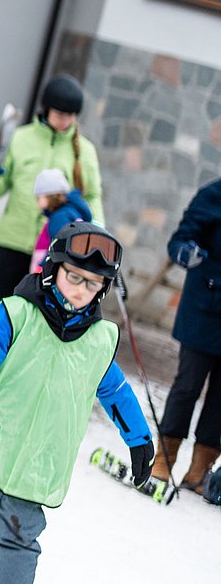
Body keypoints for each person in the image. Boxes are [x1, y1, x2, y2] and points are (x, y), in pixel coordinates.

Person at [0, 222, 153, 584]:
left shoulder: (99, 339)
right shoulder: (16, 314)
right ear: (52, 270)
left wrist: (139, 439)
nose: (82, 290)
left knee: (18, 536)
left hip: (40, 461)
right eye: (75, 277)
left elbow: (114, 392)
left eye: (93, 283)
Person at [0, 74, 104, 306]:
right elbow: (0, 189)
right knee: (2, 307)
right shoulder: (21, 138)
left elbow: (92, 196)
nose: (64, 121)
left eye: (70, 116)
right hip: (13, 240)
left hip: (54, 249)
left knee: (40, 313)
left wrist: (97, 231)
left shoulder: (85, 151)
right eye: (60, 114)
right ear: (46, 109)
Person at [149, 179, 221, 493]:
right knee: (187, 384)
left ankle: (199, 470)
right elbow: (181, 238)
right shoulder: (214, 194)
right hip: (206, 308)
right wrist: (187, 252)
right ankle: (164, 457)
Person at [28, 168, 92, 273]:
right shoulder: (71, 212)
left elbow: (58, 246)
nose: (37, 203)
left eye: (39, 198)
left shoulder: (59, 218)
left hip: (55, 270)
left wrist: (43, 267)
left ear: (50, 196)